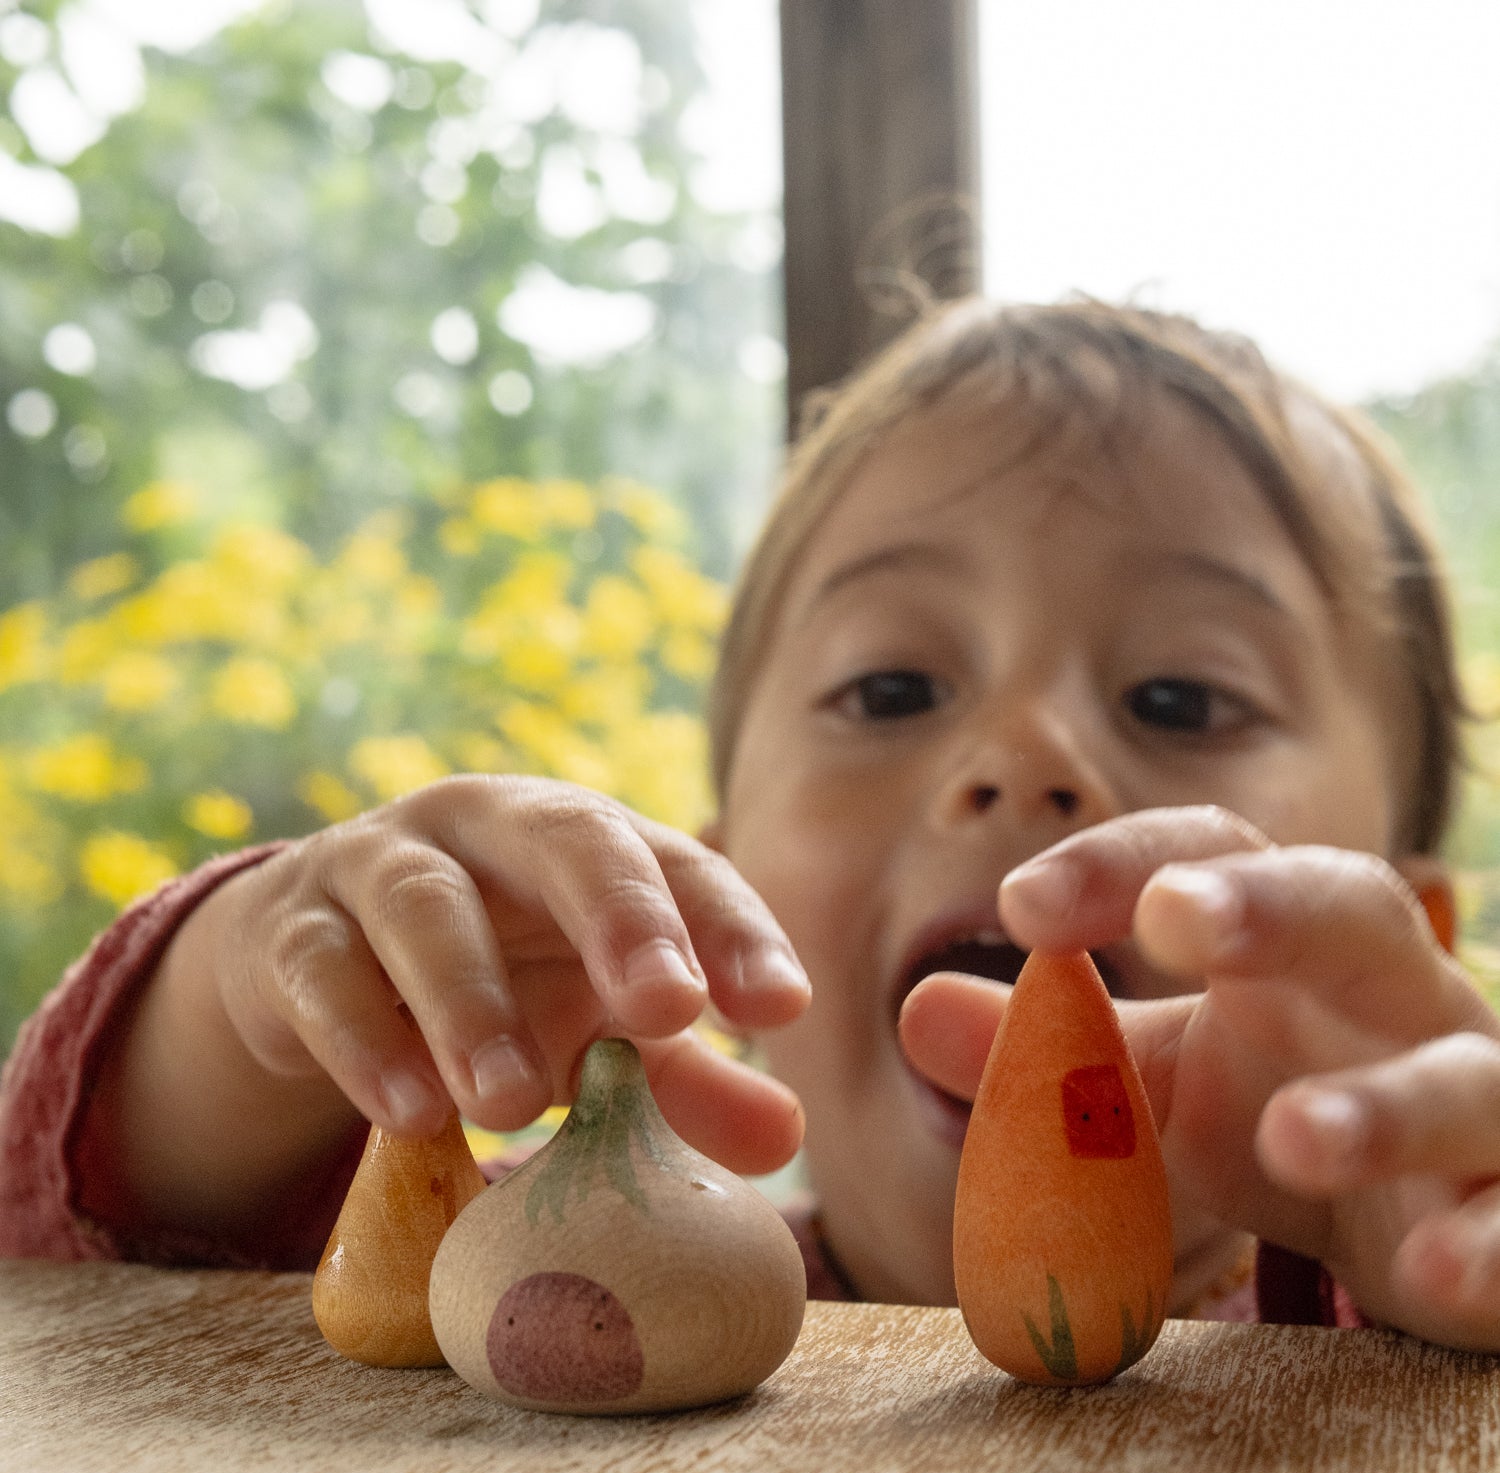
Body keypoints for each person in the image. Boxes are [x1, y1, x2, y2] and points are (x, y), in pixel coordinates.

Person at [5, 297, 1500, 1350]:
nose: (1024, 760)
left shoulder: (1415, 1309)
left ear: (1406, 939)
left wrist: (1433, 1295)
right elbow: (120, 1267)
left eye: (1180, 700)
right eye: (895, 684)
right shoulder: (603, 1279)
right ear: (729, 878)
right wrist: (241, 1011)